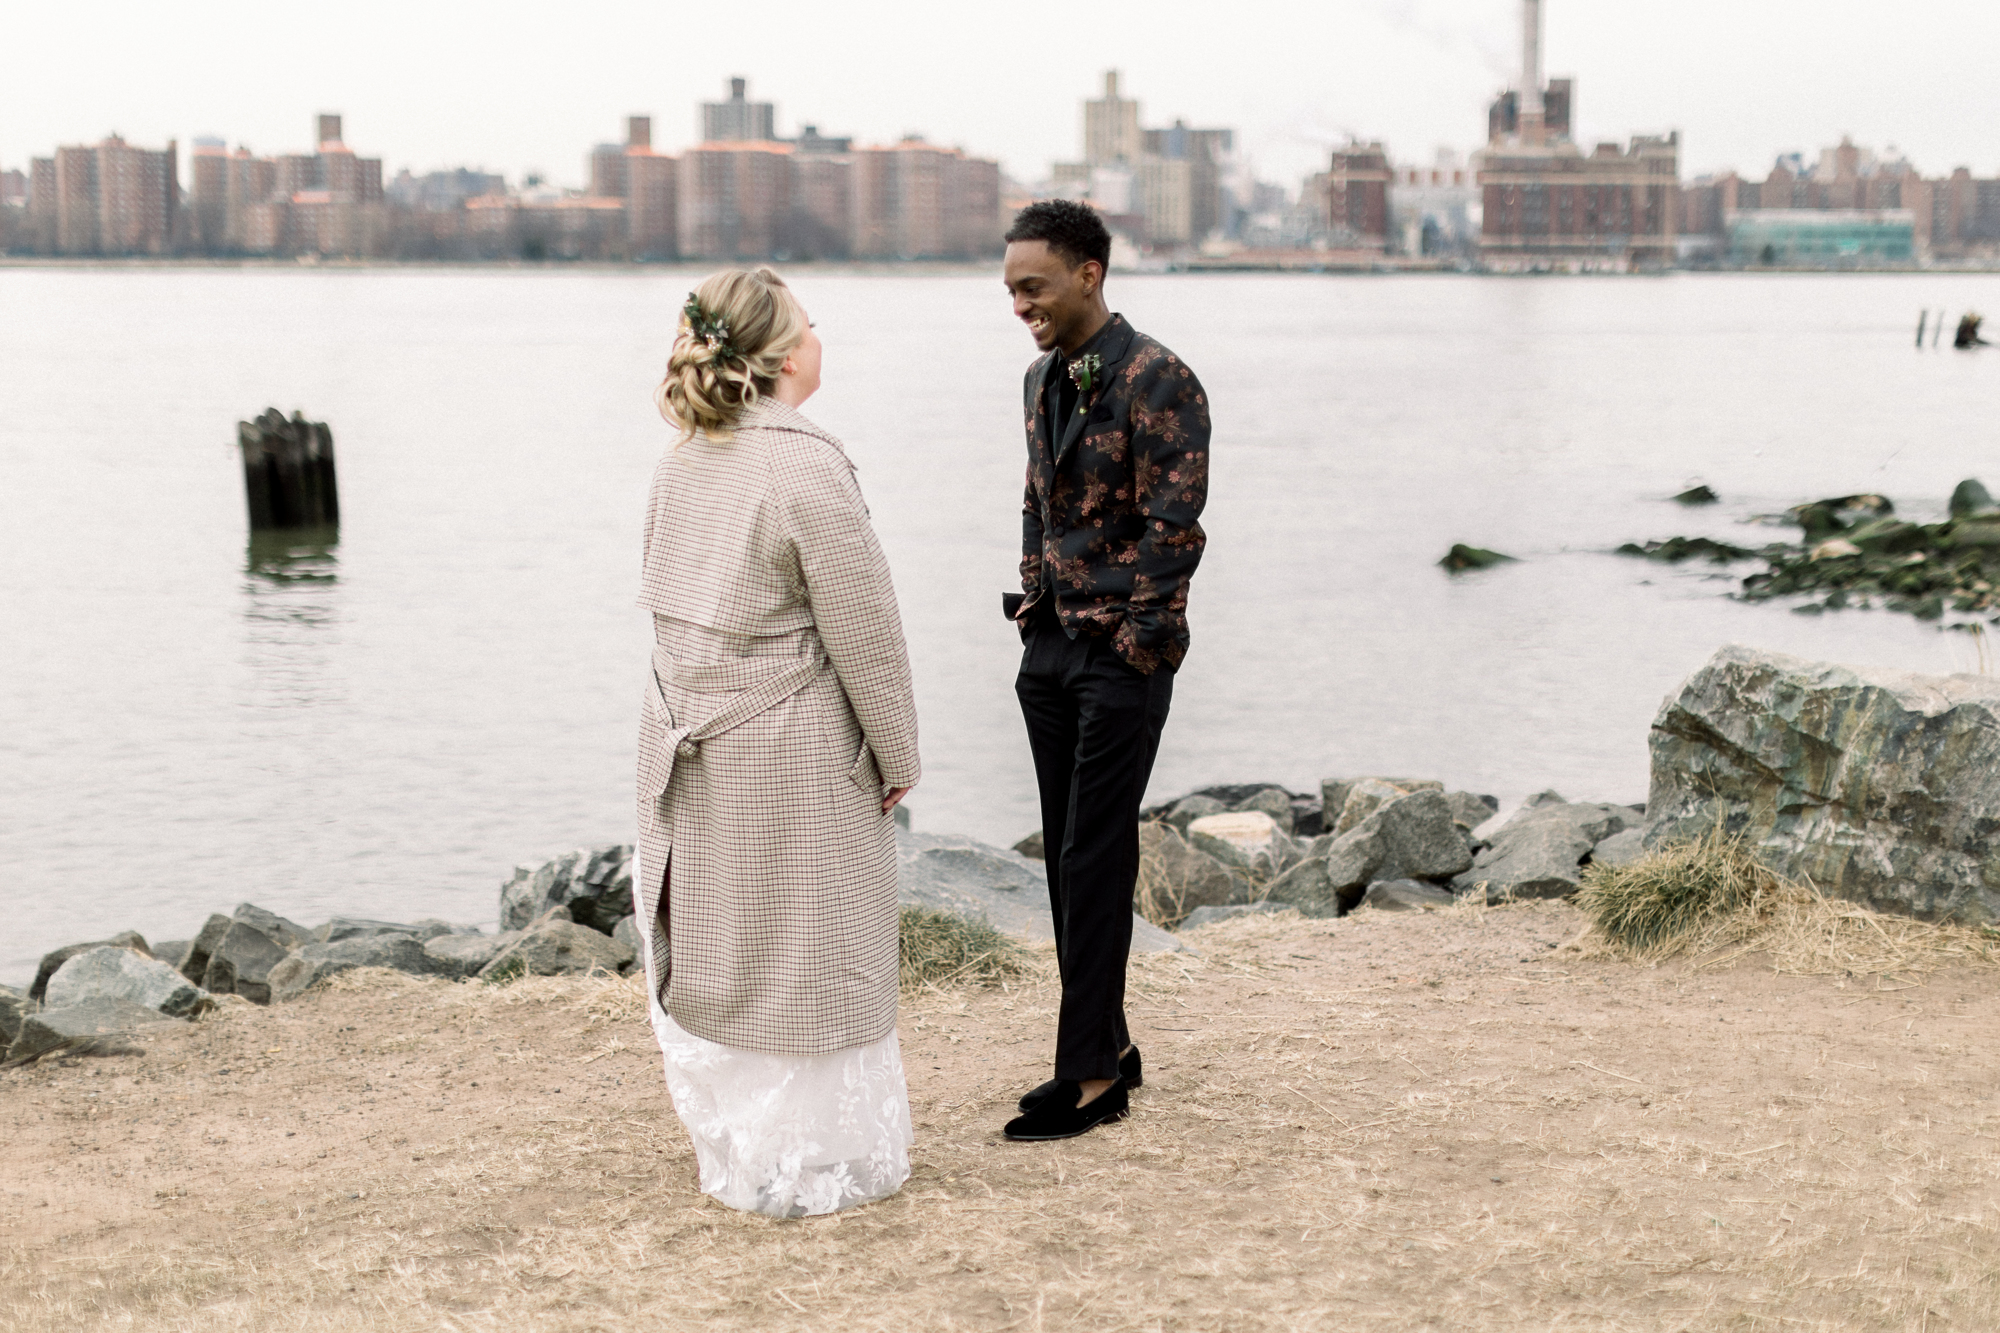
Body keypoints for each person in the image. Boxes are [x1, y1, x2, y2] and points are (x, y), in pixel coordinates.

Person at [635, 268, 921, 1216]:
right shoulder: (805, 463)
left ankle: (742, 1149)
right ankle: (813, 1162)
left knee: (730, 946)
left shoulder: (679, 464)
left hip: (691, 740)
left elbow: (665, 611)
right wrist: (897, 752)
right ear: (786, 353)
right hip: (792, 743)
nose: (819, 335)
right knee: (810, 941)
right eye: (811, 322)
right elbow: (866, 629)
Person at [999, 201, 1210, 1142]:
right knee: (1066, 853)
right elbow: (1037, 499)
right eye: (1010, 290)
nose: (1020, 304)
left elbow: (1176, 531)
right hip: (1051, 648)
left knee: (1097, 851)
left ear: (1090, 273)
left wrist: (1132, 641)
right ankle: (1108, 1044)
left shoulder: (1160, 378)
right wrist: (1033, 603)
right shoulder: (1041, 377)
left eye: (1032, 286)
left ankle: (1089, 1076)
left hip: (1121, 656)